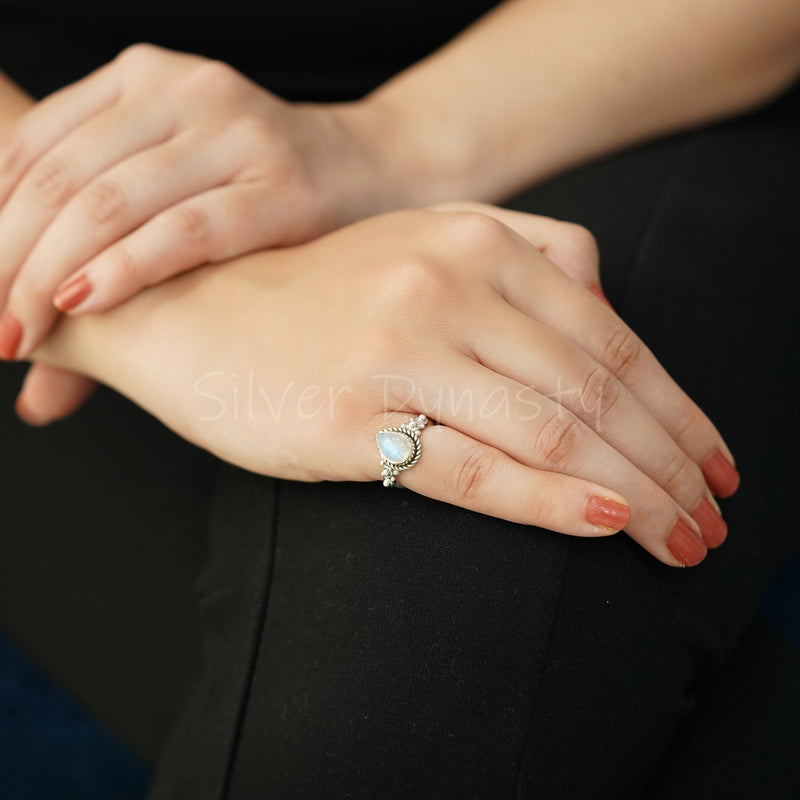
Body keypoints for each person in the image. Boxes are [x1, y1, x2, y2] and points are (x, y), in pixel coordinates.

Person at [0, 0, 798, 797]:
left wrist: (384, 143)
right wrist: (176, 310)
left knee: (488, 567)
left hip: (610, 87)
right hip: (57, 170)